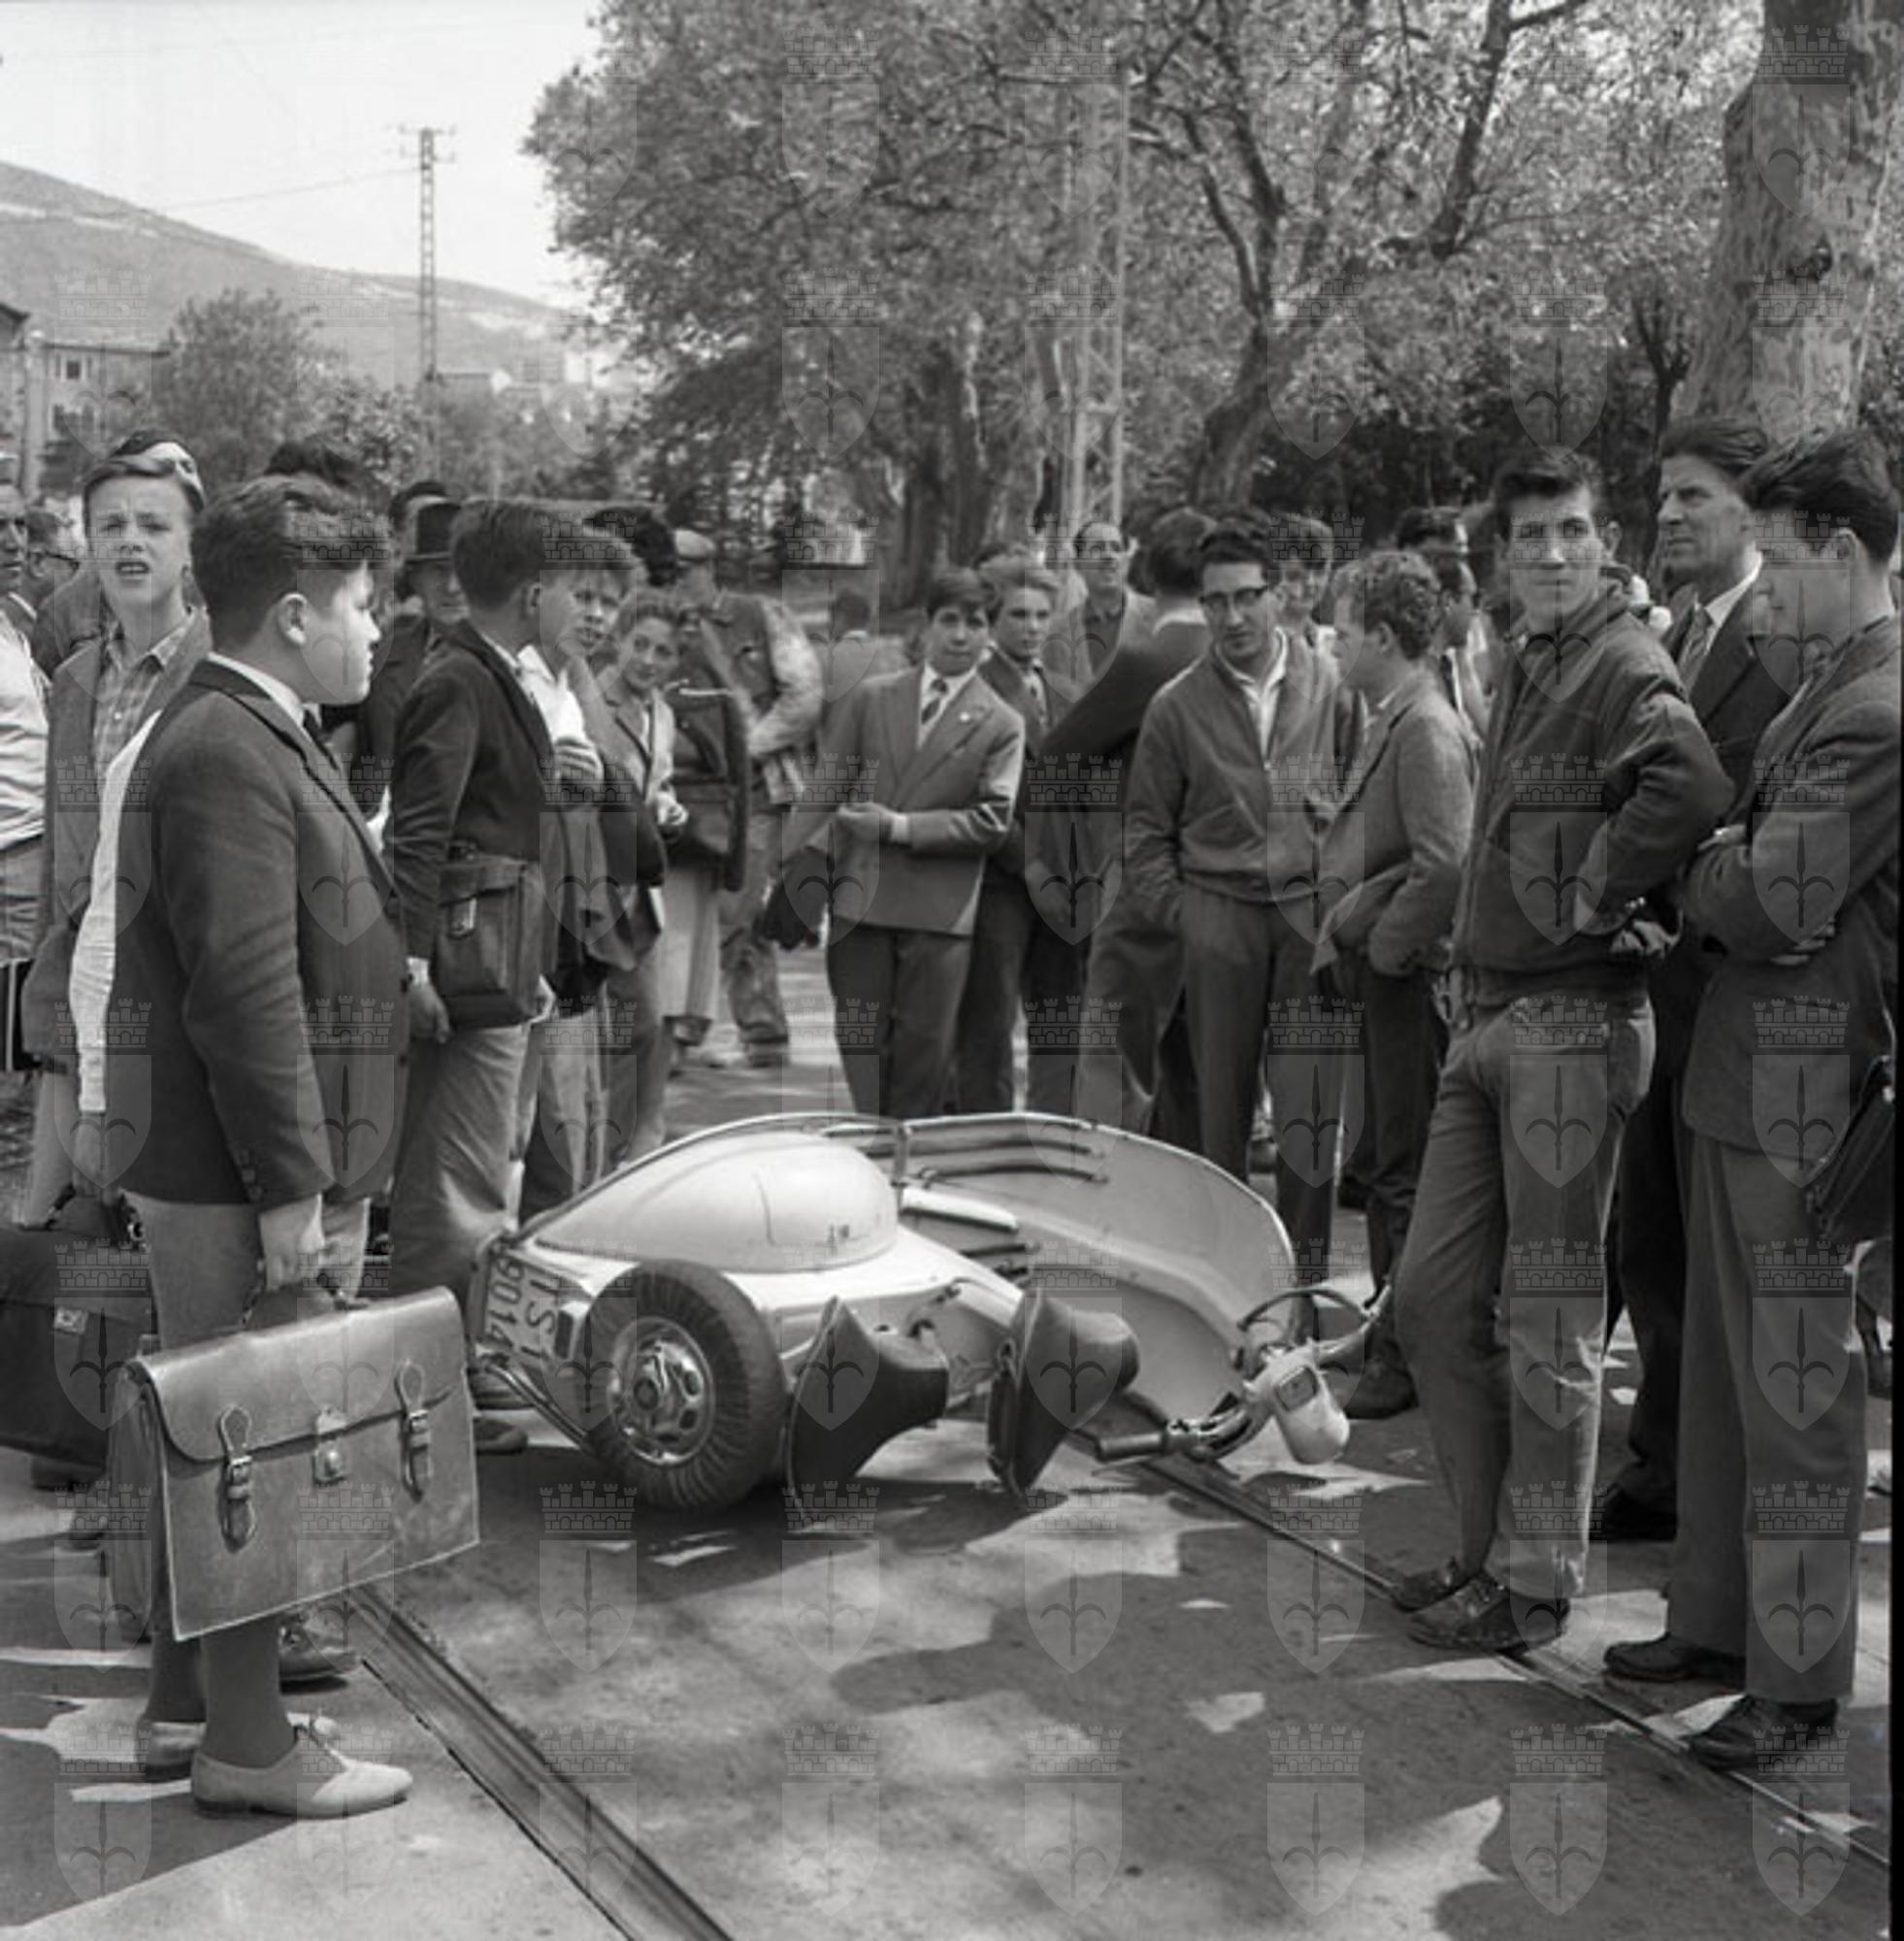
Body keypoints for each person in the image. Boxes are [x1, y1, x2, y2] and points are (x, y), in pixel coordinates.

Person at [104, 475, 410, 1816]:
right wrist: (294, 1186)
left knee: (210, 1433)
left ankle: (184, 1705)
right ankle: (249, 1744)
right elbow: (244, 988)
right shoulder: (228, 744)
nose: (375, 629)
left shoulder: (244, 726)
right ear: (294, 613)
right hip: (243, 1173)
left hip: (230, 1164)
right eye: (362, 604)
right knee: (255, 1450)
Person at [1389, 448, 1730, 1655]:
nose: (1551, 552)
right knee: (1432, 1301)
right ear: (1503, 552)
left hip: (1573, 1023)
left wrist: (1599, 884)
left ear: (1604, 540)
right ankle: (1484, 1549)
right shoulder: (1534, 653)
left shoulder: (1625, 659)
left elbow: (1690, 781)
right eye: (1530, 533)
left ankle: (1532, 1582)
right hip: (1490, 1016)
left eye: (1573, 530)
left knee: (1550, 1321)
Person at [1606, 429, 1898, 1767]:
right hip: (1746, 1068)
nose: (1763, 589)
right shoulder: (1835, 682)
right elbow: (1756, 873)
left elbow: (1770, 896)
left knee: (1793, 1391)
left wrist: (1715, 866)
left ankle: (1794, 1677)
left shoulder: (1876, 706)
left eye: (1779, 563)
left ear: (1840, 549)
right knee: (1728, 1378)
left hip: (1802, 1083)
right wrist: (1733, 863)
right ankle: (1719, 1623)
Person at [1595, 416, 1797, 1546]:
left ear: (1752, 515)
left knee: (1716, 1265)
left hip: (1735, 998)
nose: (1669, 514)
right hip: (1654, 988)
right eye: (1663, 495)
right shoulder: (1668, 635)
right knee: (1650, 1242)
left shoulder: (1789, 645)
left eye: (1695, 498)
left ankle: (1703, 1486)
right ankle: (1664, 1463)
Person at [384, 500, 600, 1455]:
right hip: (461, 976)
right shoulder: (459, 680)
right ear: (534, 591)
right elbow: (419, 833)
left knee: (480, 1175)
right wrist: (410, 963)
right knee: (453, 1186)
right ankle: (425, 1396)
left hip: (501, 969)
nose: (582, 608)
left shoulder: (492, 674)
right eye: (574, 590)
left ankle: (458, 1364)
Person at [1123, 515, 1361, 1281]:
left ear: (1277, 593)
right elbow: (1144, 835)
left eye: (1247, 597)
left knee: (1308, 1115)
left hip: (1308, 921)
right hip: (1217, 917)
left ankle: (1305, 1291)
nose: (1232, 617)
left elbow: (1364, 800)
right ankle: (1225, 1287)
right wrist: (1187, 917)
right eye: (1216, 601)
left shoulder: (1334, 685)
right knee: (1217, 1118)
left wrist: (1343, 905)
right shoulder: (1176, 705)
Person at [19, 446, 211, 1229]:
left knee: (160, 1233)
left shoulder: (222, 675)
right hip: (76, 994)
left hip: (176, 996)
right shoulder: (73, 680)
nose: (131, 541)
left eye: (154, 525)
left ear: (191, 545)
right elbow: (60, 855)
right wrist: (44, 993)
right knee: (57, 1230)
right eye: (111, 525)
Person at [1313, 551, 1478, 1417]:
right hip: (1394, 981)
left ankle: (1405, 1356)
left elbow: (1443, 863)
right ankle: (1387, 1331)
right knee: (1388, 1166)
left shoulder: (1425, 728)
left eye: (1344, 630)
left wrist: (1384, 951)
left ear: (1383, 636)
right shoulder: (1397, 715)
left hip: (1410, 984)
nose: (1333, 643)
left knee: (1405, 1173)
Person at [778, 567, 1025, 1118]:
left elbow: (992, 820)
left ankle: (907, 1157)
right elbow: (827, 787)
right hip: (859, 902)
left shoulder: (1002, 723)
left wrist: (899, 828)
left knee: (923, 1055)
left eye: (975, 624)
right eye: (949, 620)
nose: (960, 635)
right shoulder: (872, 698)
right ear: (925, 625)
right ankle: (874, 1144)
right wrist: (786, 867)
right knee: (861, 1042)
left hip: (940, 914)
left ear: (989, 634)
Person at [1047, 507, 1212, 1141]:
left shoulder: (1147, 660)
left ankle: (1102, 1188)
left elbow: (1058, 758)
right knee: (1199, 1066)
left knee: (1114, 1065)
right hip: (1228, 884)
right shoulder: (1250, 661)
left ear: (1146, 570)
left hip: (1141, 881)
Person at [676, 526, 822, 1068]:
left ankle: (682, 1033)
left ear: (707, 567)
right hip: (682, 792)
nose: (674, 580)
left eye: (683, 569)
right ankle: (763, 1032)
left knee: (733, 906)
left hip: (755, 791)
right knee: (718, 910)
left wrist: (745, 750)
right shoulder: (655, 621)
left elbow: (804, 696)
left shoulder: (761, 616)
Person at [953, 559, 1083, 1113]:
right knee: (989, 1022)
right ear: (993, 619)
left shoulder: (1067, 691)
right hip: (999, 878)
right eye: (1018, 615)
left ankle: (1056, 1130)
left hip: (1068, 878)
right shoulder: (973, 690)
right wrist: (1031, 866)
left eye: (1041, 615)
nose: (1031, 627)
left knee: (1062, 1017)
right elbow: (969, 792)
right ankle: (988, 1134)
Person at [576, 591, 688, 1162]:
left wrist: (664, 806)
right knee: (602, 1031)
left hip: (638, 895)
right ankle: (599, 1155)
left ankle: (625, 1150)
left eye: (663, 651)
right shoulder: (591, 701)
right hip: (592, 889)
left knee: (645, 1024)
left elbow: (653, 783)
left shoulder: (662, 713)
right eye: (639, 644)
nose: (648, 659)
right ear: (619, 641)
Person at [657, 619, 750, 1068]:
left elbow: (733, 768)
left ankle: (672, 1038)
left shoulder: (703, 679)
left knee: (678, 938)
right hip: (687, 835)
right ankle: (670, 1037)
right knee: (678, 938)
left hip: (688, 835)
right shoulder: (711, 679)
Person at [352, 488, 463, 820]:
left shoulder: (514, 660)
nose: (452, 587)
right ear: (416, 579)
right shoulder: (383, 650)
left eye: (462, 571)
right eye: (439, 571)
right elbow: (360, 751)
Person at [1046, 519, 1156, 689]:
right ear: (1078, 565)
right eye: (1097, 549)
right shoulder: (1058, 634)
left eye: (1116, 548)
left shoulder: (1157, 618)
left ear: (1126, 562)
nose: (1109, 556)